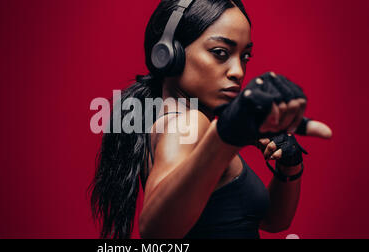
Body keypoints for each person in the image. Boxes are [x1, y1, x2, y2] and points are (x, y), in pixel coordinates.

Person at [89, 0, 332, 239]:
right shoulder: (190, 123)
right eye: (220, 53)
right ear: (168, 54)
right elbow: (156, 232)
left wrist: (289, 165)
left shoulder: (170, 120)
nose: (237, 71)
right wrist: (224, 136)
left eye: (245, 56)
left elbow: (270, 221)